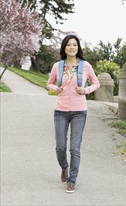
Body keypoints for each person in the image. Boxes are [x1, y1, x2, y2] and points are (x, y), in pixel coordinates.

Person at [47, 34, 100, 193]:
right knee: (60, 147)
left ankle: (72, 180)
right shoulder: (58, 66)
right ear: (64, 47)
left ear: (78, 48)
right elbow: (49, 83)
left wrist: (86, 90)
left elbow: (96, 83)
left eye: (74, 45)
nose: (72, 47)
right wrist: (55, 88)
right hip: (60, 111)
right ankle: (64, 167)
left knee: (75, 148)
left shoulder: (86, 66)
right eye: (69, 44)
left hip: (79, 111)